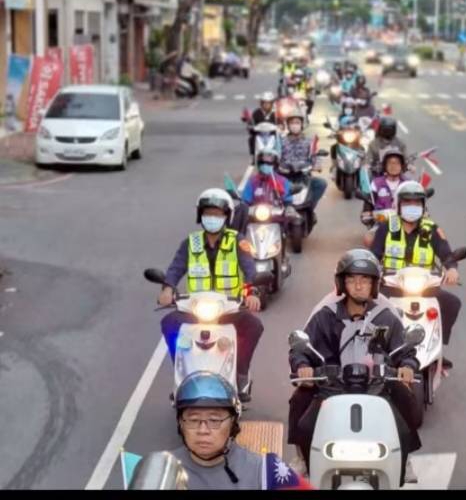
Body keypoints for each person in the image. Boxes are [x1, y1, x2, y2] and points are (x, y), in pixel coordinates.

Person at [287, 249, 422, 485]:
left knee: (405, 406)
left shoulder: (386, 317)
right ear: (342, 283)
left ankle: (405, 456)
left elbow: (406, 352)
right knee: (301, 409)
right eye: (352, 279)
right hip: (331, 389)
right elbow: (301, 350)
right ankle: (303, 458)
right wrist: (303, 366)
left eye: (365, 279)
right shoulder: (325, 316)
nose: (358, 285)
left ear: (374, 284)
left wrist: (407, 366)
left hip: (378, 388)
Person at [157, 188, 263, 402]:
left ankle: (241, 373)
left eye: (217, 214)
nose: (212, 218)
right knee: (169, 323)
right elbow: (176, 268)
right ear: (200, 215)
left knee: (254, 326)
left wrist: (253, 292)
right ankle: (182, 373)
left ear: (227, 216)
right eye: (208, 213)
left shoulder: (238, 241)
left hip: (229, 310)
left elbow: (249, 269)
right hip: (196, 309)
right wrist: (167, 288)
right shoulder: (190, 243)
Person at [367, 181, 462, 369]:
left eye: (417, 202)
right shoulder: (386, 227)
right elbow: (374, 255)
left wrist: (451, 268)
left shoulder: (432, 229)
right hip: (392, 285)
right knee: (371, 307)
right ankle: (377, 348)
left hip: (424, 287)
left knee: (452, 303)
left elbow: (446, 254)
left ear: (423, 205)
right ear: (398, 204)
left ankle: (437, 347)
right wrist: (371, 272)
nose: (412, 206)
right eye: (407, 202)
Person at [169, 371, 309, 489]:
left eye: (214, 420)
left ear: (232, 423)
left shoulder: (266, 472)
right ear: (180, 423)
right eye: (193, 420)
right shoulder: (162, 468)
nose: (203, 430)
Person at [279, 110, 327, 214]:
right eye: (292, 123)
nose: (294, 125)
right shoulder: (281, 141)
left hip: (303, 177)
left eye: (297, 122)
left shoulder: (309, 141)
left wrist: (317, 164)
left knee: (321, 183)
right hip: (285, 177)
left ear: (302, 124)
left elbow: (314, 156)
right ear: (288, 125)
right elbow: (276, 157)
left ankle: (310, 208)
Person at [360, 149, 407, 224]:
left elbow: (417, 202)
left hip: (404, 223)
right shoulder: (376, 183)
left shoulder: (408, 183)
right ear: (385, 166)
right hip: (381, 223)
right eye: (390, 163)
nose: (393, 166)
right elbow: (369, 203)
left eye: (397, 163)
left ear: (402, 166)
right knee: (371, 232)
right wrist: (366, 213)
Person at [247, 92, 277, 159]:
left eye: (268, 103)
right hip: (260, 135)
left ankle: (279, 156)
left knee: (281, 140)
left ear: (272, 103)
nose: (266, 105)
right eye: (264, 103)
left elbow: (281, 123)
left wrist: (280, 128)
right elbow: (251, 123)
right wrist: (251, 127)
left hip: (272, 135)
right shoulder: (256, 113)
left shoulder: (276, 113)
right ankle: (254, 156)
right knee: (251, 139)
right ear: (261, 103)